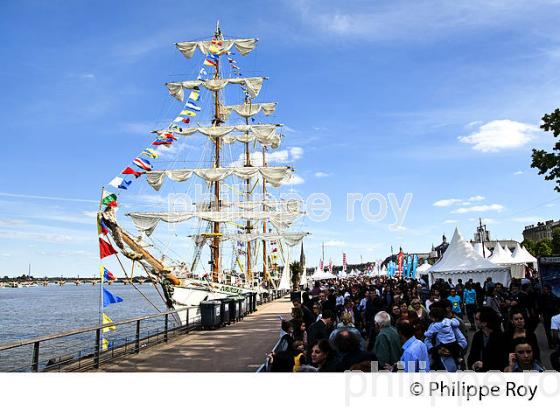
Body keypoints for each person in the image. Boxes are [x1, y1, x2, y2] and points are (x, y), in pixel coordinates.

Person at [467, 307, 508, 372]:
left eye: (477, 319)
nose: (476, 321)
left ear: (485, 322)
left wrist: (484, 365)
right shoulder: (477, 335)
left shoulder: (501, 337)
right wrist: (473, 364)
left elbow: (502, 360)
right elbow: (472, 356)